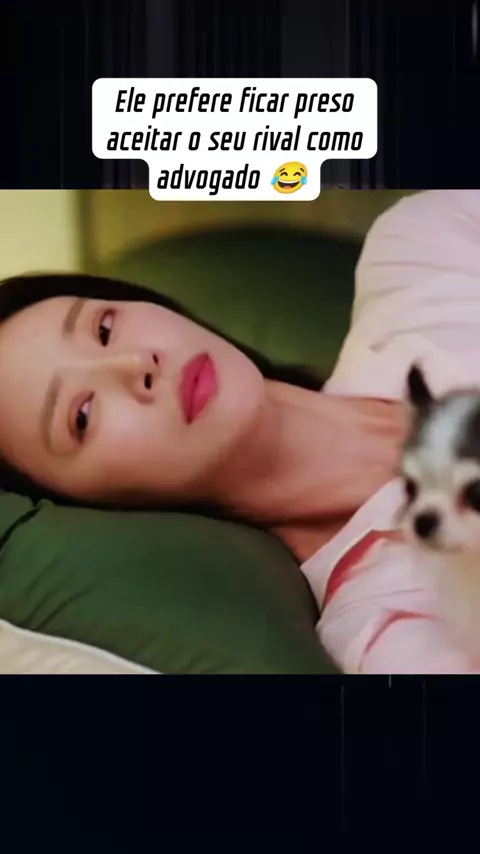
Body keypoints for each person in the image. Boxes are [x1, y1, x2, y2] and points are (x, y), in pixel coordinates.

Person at [0, 189, 478, 674]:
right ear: (90, 508)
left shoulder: (421, 250)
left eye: (103, 329)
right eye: (81, 416)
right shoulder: (389, 630)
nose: (135, 364)